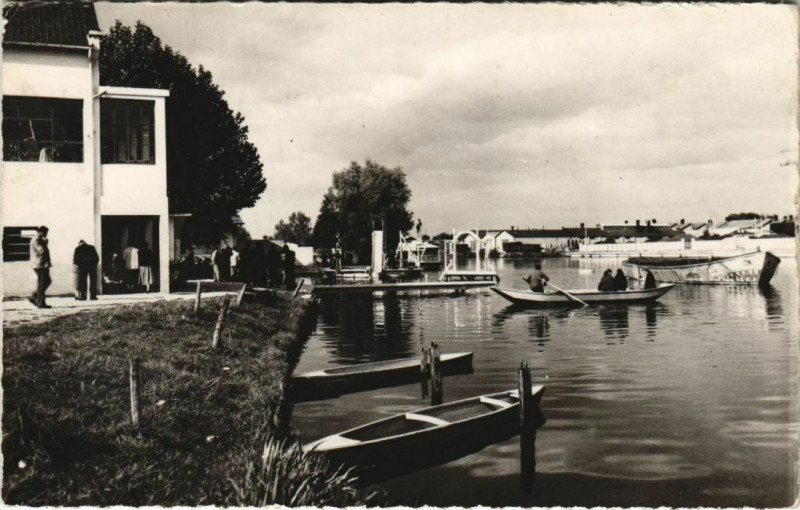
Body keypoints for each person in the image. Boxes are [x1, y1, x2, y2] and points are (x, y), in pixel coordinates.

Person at [29, 226, 52, 308]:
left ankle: (35, 296)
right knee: (42, 284)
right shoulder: (36, 240)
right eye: (45, 233)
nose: (46, 234)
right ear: (41, 232)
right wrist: (45, 243)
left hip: (43, 264)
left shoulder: (40, 239)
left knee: (47, 281)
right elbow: (42, 251)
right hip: (40, 264)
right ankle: (40, 303)